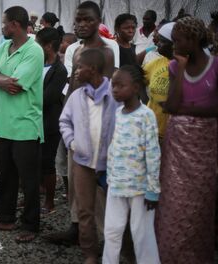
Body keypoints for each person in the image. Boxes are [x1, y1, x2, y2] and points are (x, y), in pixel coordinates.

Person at [0, 6, 44, 244]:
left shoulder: (34, 51)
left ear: (15, 25)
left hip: (25, 125)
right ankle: (5, 218)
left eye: (5, 23)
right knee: (4, 175)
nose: (2, 27)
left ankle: (31, 224)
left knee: (28, 179)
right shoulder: (5, 47)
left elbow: (17, 83)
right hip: (1, 124)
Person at [156, 16, 218, 264]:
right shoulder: (174, 67)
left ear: (193, 41)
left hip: (206, 146)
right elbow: (171, 106)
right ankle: (170, 257)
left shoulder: (215, 66)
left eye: (178, 41)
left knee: (200, 207)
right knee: (173, 204)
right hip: (178, 146)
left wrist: (185, 110)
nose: (174, 45)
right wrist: (180, 68)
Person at [59, 48, 120, 264]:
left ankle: (120, 253)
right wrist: (73, 142)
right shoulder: (77, 96)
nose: (75, 72)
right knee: (85, 212)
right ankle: (91, 255)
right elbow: (64, 121)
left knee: (115, 212)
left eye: (79, 68)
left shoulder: (115, 95)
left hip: (111, 164)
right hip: (83, 163)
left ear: (92, 69)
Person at [102, 65, 161, 264]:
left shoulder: (146, 116)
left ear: (136, 88)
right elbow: (114, 147)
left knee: (142, 234)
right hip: (116, 185)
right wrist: (108, 175)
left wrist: (153, 189)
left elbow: (153, 153)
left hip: (140, 189)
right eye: (113, 85)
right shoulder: (118, 113)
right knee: (111, 231)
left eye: (120, 85)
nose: (115, 89)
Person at [36, 27, 68, 215]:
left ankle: (49, 202)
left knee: (47, 162)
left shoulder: (59, 70)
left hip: (49, 122)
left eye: (39, 44)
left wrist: (26, 96)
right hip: (34, 119)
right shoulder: (38, 64)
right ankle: (34, 195)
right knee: (34, 160)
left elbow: (48, 97)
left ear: (48, 46)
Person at [144, 22, 174, 140]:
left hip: (174, 132)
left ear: (173, 44)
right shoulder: (155, 63)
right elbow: (138, 79)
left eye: (162, 41)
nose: (158, 43)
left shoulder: (187, 67)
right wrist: (147, 100)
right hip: (152, 129)